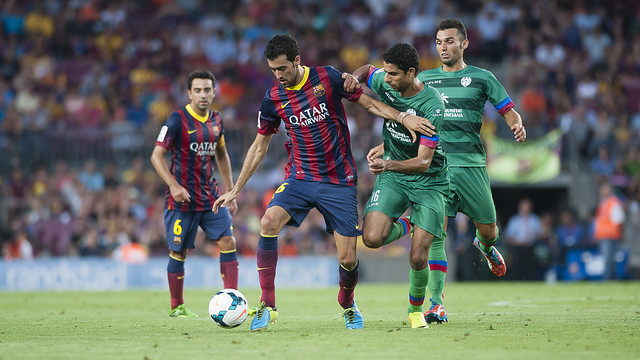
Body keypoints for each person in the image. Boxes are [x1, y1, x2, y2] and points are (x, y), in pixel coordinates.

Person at [213, 34, 434, 331]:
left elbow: (369, 104)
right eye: (273, 70)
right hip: (300, 177)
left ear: (297, 61)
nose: (278, 76)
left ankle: (347, 303)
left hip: (338, 181)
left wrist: (403, 118)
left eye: (282, 69)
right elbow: (259, 145)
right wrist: (236, 189)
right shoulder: (274, 98)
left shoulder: (326, 78)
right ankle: (268, 304)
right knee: (268, 222)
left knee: (348, 256)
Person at [344, 43, 448, 328]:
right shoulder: (385, 80)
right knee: (371, 238)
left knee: (417, 257)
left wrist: (387, 162)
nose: (386, 79)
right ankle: (412, 225)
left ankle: (415, 311)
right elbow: (366, 71)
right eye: (386, 72)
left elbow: (424, 161)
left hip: (430, 181)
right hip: (395, 178)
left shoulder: (432, 105)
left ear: (411, 72)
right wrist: (353, 78)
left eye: (392, 74)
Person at [416, 19, 526, 280]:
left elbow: (508, 111)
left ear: (464, 43)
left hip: (472, 165)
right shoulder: (423, 79)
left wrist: (516, 125)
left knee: (489, 230)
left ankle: (485, 246)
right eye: (439, 42)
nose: (443, 48)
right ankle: (436, 303)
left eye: (450, 41)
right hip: (436, 164)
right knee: (435, 233)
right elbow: (405, 115)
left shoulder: (482, 77)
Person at [151, 69, 239, 318]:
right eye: (198, 90)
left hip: (210, 196)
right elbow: (156, 155)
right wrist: (173, 185)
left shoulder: (217, 120)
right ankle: (177, 306)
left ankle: (231, 302)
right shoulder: (177, 120)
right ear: (189, 93)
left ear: (214, 92)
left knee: (228, 242)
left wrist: (230, 190)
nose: (203, 95)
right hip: (182, 200)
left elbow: (221, 154)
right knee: (179, 252)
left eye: (207, 90)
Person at [504, 198, 543, 280]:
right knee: (516, 264)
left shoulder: (535, 220)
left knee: (530, 266)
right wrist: (518, 243)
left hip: (531, 247)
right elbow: (509, 235)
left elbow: (539, 234)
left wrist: (531, 238)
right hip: (517, 247)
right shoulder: (514, 220)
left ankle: (530, 280)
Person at [593, 182, 625, 280]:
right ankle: (612, 278)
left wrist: (621, 233)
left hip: (611, 235)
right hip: (603, 236)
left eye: (605, 189)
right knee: (608, 259)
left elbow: (620, 219)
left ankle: (608, 279)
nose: (603, 191)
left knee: (608, 259)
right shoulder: (603, 203)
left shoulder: (613, 202)